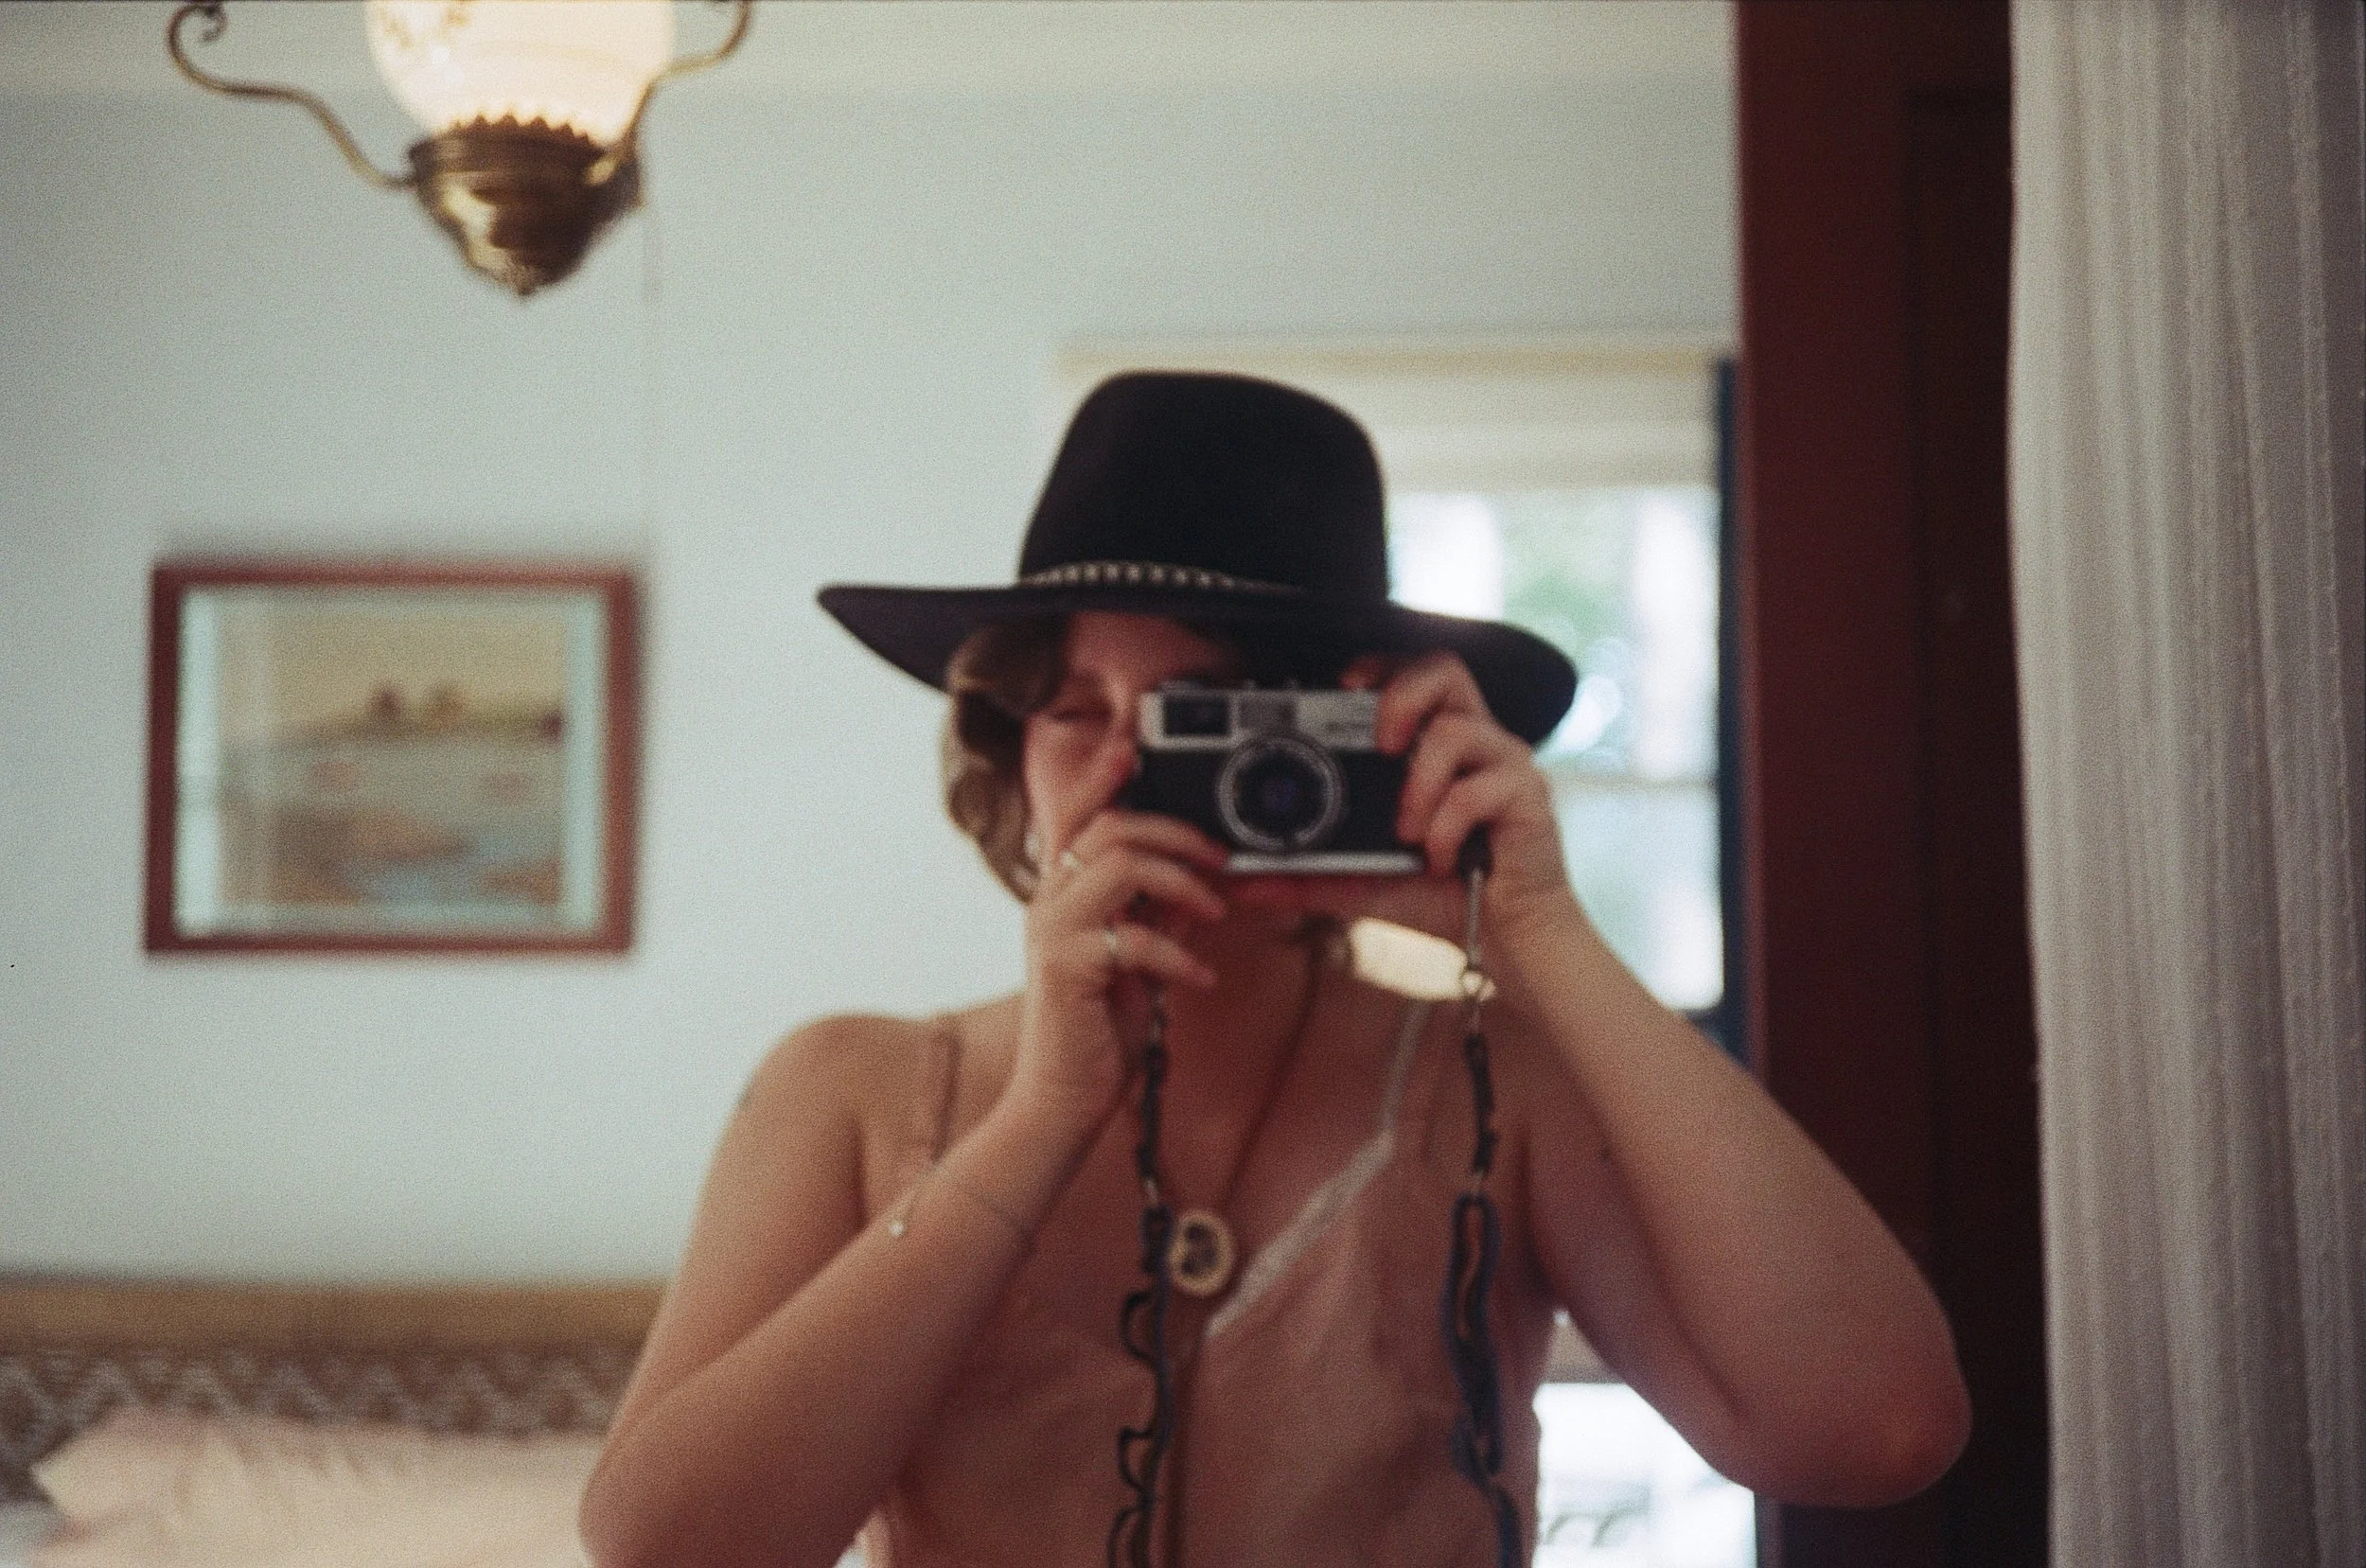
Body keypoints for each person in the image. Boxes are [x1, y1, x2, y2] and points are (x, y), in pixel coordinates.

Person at [577, 373, 1971, 1568]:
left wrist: (1540, 933)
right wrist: (1042, 1117)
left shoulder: (1501, 1095)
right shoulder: (855, 1090)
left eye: (1204, 722)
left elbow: (1876, 1429)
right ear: (1008, 755)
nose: (1124, 768)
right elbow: (661, 1545)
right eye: (1072, 711)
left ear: (1343, 736)